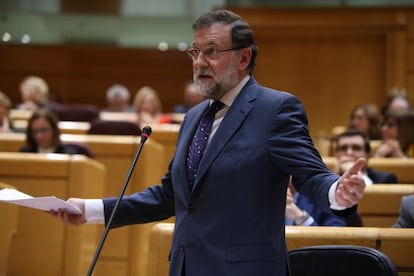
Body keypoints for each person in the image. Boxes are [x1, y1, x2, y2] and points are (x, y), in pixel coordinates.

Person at [52, 10, 366, 276]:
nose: (199, 62)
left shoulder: (276, 110)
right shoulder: (193, 117)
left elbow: (311, 175)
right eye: (195, 52)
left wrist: (336, 192)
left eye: (211, 51)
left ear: (244, 57)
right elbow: (169, 196)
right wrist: (91, 209)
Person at [332, 129, 398, 184]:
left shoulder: (386, 180)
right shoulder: (324, 180)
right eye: (343, 148)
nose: (349, 153)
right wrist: (334, 181)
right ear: (336, 154)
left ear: (368, 155)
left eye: (356, 148)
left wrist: (358, 175)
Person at [19, 108, 87, 154]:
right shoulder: (25, 153)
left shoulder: (68, 154)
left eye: (44, 130)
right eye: (35, 131)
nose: (39, 136)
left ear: (54, 130)